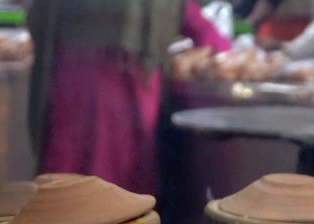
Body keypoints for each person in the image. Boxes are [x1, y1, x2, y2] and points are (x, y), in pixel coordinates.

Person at [28, 0, 230, 195]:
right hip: (128, 82)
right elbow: (203, 31)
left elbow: (39, 16)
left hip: (72, 77)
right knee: (117, 173)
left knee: (68, 169)